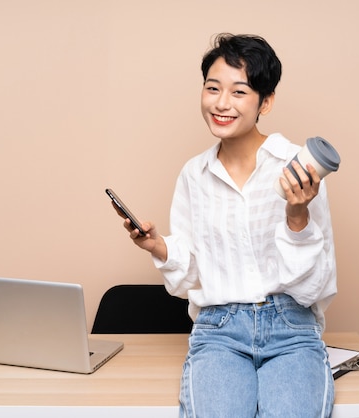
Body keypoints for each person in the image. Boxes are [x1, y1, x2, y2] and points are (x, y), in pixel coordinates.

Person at [111, 33, 337, 418]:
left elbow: (313, 285)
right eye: (212, 88)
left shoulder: (297, 169)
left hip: (291, 329)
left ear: (266, 102)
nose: (221, 103)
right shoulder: (193, 175)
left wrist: (297, 215)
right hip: (219, 330)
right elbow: (194, 273)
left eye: (238, 92)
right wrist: (158, 246)